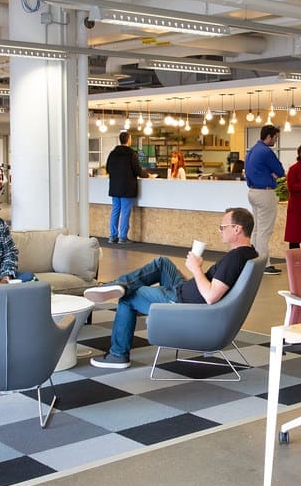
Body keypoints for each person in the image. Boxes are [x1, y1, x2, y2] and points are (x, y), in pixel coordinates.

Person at [85, 207, 258, 369]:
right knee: (162, 263)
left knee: (129, 297)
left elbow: (211, 296)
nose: (219, 230)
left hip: (183, 303)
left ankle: (118, 355)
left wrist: (196, 268)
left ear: (237, 229)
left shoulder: (234, 259)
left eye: (223, 227)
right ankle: (117, 284)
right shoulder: (249, 253)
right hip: (186, 292)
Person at [245, 124, 285, 276]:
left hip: (253, 192)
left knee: (256, 229)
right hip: (265, 193)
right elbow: (280, 171)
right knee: (264, 230)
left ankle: (254, 261)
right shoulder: (266, 152)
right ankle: (264, 264)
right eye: (275, 137)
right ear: (269, 137)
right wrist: (273, 174)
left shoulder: (252, 151)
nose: (275, 140)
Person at [106, 131, 147, 244]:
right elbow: (137, 170)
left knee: (115, 211)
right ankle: (122, 237)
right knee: (125, 212)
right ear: (128, 139)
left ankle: (113, 236)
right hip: (127, 187)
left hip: (114, 187)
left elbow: (108, 169)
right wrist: (148, 175)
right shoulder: (131, 153)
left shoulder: (113, 153)